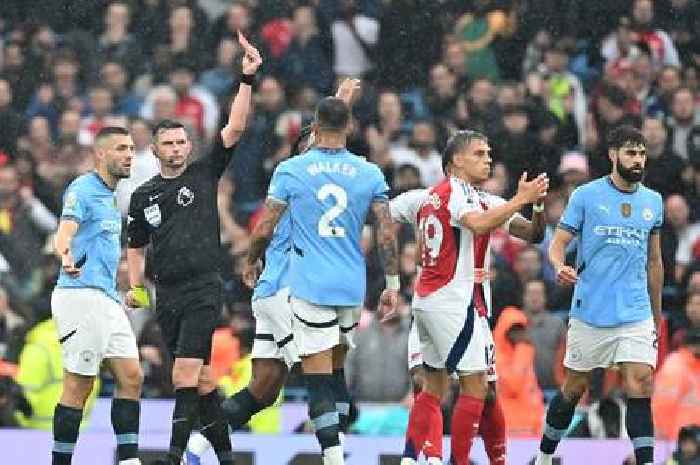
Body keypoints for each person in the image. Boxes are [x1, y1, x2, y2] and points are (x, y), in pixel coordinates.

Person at [183, 78, 363, 465]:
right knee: (326, 376)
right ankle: (336, 458)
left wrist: (341, 103)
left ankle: (194, 451)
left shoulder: (312, 179)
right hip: (288, 291)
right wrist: (342, 100)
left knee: (263, 389)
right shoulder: (299, 177)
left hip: (278, 292)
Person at [125, 32, 262, 465]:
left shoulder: (203, 174)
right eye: (168, 143)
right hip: (166, 294)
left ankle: (173, 457)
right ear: (156, 149)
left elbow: (235, 127)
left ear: (189, 145)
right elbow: (136, 246)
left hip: (204, 287)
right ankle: (225, 456)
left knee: (182, 373)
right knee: (201, 381)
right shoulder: (144, 194)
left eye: (182, 141)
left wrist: (246, 79)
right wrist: (135, 285)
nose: (177, 148)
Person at [242, 95, 400, 465]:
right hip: (350, 286)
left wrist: (251, 259)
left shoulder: (292, 169)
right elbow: (387, 233)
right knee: (335, 371)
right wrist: (392, 284)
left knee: (317, 376)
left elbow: (265, 226)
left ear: (313, 127)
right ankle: (339, 445)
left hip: (310, 284)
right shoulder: (369, 172)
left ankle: (334, 459)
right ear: (350, 127)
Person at [388, 130, 547, 465]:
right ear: (456, 161)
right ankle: (455, 461)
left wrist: (537, 204)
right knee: (474, 388)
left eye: (489, 153)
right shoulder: (457, 193)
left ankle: (410, 458)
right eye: (479, 153)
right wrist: (520, 199)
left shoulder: (438, 196)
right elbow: (476, 225)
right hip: (453, 303)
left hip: (440, 302)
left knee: (437, 387)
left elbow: (532, 233)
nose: (488, 158)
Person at [535, 125, 664, 465]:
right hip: (590, 310)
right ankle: (545, 456)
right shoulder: (586, 196)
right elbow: (558, 243)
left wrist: (655, 315)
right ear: (612, 155)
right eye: (630, 153)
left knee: (640, 383)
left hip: (635, 312)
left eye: (641, 153)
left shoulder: (653, 202)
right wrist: (559, 265)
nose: (637, 160)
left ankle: (646, 461)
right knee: (574, 388)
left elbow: (654, 263)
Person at [51, 126, 143, 465]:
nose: (129, 154)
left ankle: (130, 460)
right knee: (79, 385)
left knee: (132, 376)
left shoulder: (110, 196)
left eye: (132, 148)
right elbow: (65, 231)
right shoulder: (83, 189)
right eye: (121, 148)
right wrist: (64, 253)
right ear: (100, 154)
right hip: (80, 296)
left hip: (106, 298)